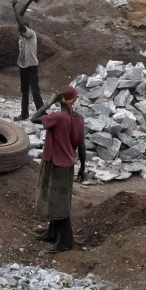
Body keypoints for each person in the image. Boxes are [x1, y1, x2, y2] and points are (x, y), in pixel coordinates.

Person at [29, 86, 86, 253]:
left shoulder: (57, 117)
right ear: (74, 99)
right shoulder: (78, 119)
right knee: (59, 199)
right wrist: (82, 167)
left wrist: (49, 102)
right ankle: (53, 232)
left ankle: (65, 242)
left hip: (55, 163)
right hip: (67, 164)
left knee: (58, 203)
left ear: (59, 99)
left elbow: (34, 118)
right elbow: (81, 146)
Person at [17, 21, 42, 120]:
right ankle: (24, 114)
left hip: (32, 67)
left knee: (35, 91)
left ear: (26, 29)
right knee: (24, 91)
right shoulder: (21, 38)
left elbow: (21, 24)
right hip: (22, 66)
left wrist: (15, 10)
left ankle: (42, 114)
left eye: (22, 30)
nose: (21, 32)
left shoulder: (31, 34)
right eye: (20, 31)